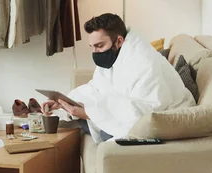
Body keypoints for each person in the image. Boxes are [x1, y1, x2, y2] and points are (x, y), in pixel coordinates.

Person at [42, 13, 195, 143]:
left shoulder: (145, 63)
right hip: (127, 116)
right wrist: (63, 102)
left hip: (161, 125)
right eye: (92, 47)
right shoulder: (116, 56)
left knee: (77, 124)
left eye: (100, 46)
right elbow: (97, 87)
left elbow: (145, 116)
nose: (95, 52)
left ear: (119, 41)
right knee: (69, 120)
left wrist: (89, 113)